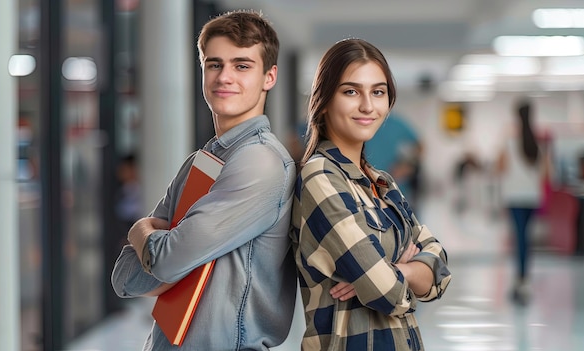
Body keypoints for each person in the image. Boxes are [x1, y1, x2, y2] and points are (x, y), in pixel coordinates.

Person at [111, 10, 297, 350]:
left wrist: (140, 230)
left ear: (269, 77)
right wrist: (162, 254)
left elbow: (164, 262)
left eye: (242, 66)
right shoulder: (203, 162)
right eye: (214, 64)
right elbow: (126, 277)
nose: (224, 77)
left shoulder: (261, 161)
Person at [290, 38, 452, 351]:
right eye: (351, 91)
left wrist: (393, 269)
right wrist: (404, 263)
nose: (368, 105)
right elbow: (385, 292)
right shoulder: (319, 177)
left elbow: (440, 274)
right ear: (324, 100)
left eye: (377, 92)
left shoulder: (383, 183)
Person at [496, 99, 545, 305]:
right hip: (532, 197)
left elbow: (500, 168)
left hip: (515, 197)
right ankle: (525, 279)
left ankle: (520, 278)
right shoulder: (538, 144)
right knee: (527, 238)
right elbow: (545, 173)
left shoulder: (510, 142)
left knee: (519, 238)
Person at [365, 112, 423, 207]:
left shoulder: (394, 123)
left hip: (393, 189)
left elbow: (420, 146)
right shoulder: (359, 124)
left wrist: (407, 166)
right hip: (366, 188)